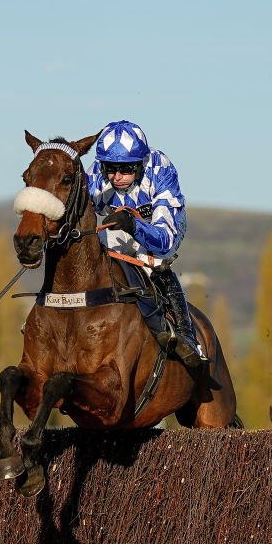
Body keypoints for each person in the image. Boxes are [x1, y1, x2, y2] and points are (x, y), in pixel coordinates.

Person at [86, 120, 205, 369]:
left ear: (140, 164)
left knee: (154, 262)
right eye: (110, 168)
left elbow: (165, 240)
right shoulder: (97, 171)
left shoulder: (160, 169)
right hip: (118, 225)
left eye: (126, 169)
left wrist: (133, 225)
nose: (116, 177)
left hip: (159, 227)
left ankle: (186, 335)